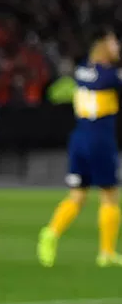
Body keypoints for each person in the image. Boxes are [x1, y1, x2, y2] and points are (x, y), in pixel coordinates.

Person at [38, 30, 121, 267]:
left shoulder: (83, 70)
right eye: (114, 42)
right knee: (110, 196)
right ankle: (106, 252)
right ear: (103, 45)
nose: (117, 47)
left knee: (77, 195)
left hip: (79, 138)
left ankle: (51, 232)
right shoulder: (110, 75)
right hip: (100, 139)